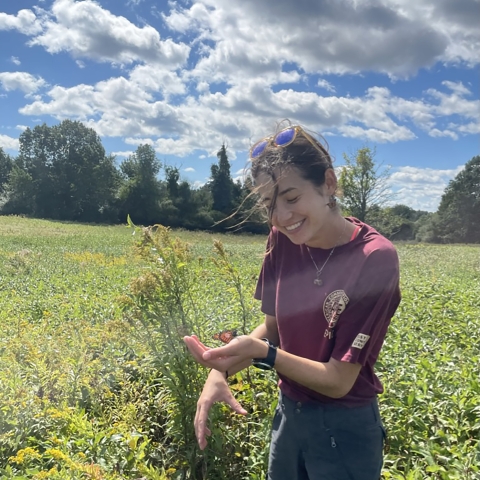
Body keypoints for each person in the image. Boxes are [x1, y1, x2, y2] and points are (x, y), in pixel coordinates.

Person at [183, 122, 401, 480]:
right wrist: (219, 368)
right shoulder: (282, 239)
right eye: (269, 203)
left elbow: (338, 380)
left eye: (292, 198)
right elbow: (272, 327)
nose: (282, 217)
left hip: (345, 428)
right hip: (290, 416)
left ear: (328, 184)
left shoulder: (374, 258)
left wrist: (262, 354)